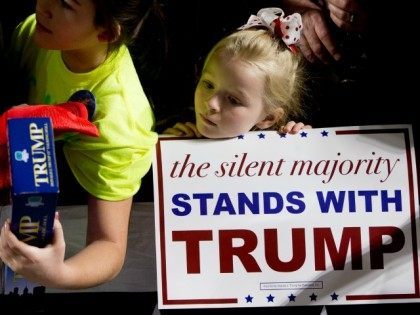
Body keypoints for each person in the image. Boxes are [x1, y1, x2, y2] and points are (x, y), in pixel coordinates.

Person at [0, 0, 157, 289]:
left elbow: (109, 245)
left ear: (105, 33)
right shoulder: (43, 29)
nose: (44, 6)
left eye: (66, 4)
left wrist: (58, 273)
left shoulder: (121, 123)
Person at [163, 7, 310, 139]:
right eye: (208, 84)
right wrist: (163, 147)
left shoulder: (284, 145)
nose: (211, 103)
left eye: (233, 100)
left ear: (269, 118)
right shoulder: (172, 127)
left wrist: (307, 142)